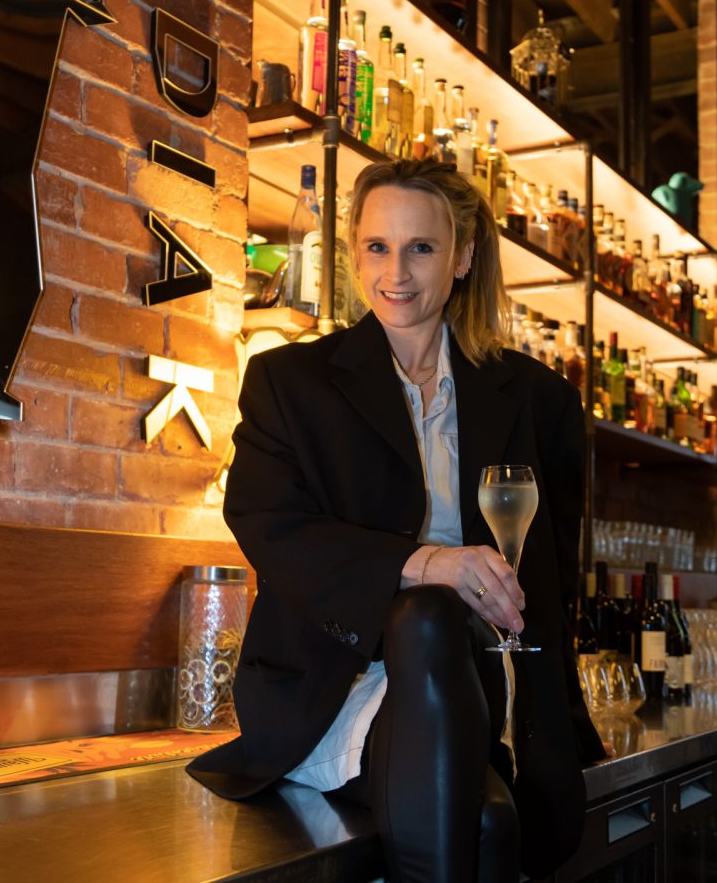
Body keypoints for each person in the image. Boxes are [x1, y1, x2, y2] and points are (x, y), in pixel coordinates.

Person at [189, 158, 604, 882]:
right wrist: (426, 564)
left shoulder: (539, 401)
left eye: (422, 248)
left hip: (491, 683)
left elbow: (553, 577)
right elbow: (265, 519)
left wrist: (561, 721)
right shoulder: (289, 383)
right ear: (352, 252)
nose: (397, 273)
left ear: (464, 256)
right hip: (341, 684)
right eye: (377, 246)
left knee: (491, 818)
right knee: (428, 620)